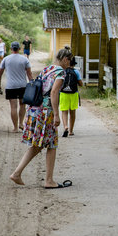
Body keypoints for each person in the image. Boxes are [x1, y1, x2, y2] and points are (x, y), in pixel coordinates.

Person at [9, 46, 73, 189]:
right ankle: (48, 180)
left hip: (35, 110)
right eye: (69, 60)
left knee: (39, 144)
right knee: (51, 144)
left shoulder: (47, 69)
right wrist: (56, 114)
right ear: (64, 59)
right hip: (46, 112)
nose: (70, 63)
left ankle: (17, 173)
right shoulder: (60, 72)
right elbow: (54, 92)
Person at [0, 41, 33, 132]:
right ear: (19, 49)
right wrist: (32, 84)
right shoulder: (25, 59)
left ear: (11, 49)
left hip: (10, 86)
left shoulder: (6, 59)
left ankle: (15, 128)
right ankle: (20, 123)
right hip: (22, 86)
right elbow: (29, 73)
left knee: (13, 107)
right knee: (22, 105)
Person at [59, 56, 83, 137]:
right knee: (72, 112)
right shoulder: (76, 72)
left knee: (64, 111)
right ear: (73, 64)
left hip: (63, 93)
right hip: (73, 94)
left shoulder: (62, 71)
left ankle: (65, 126)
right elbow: (80, 84)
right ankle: (71, 131)